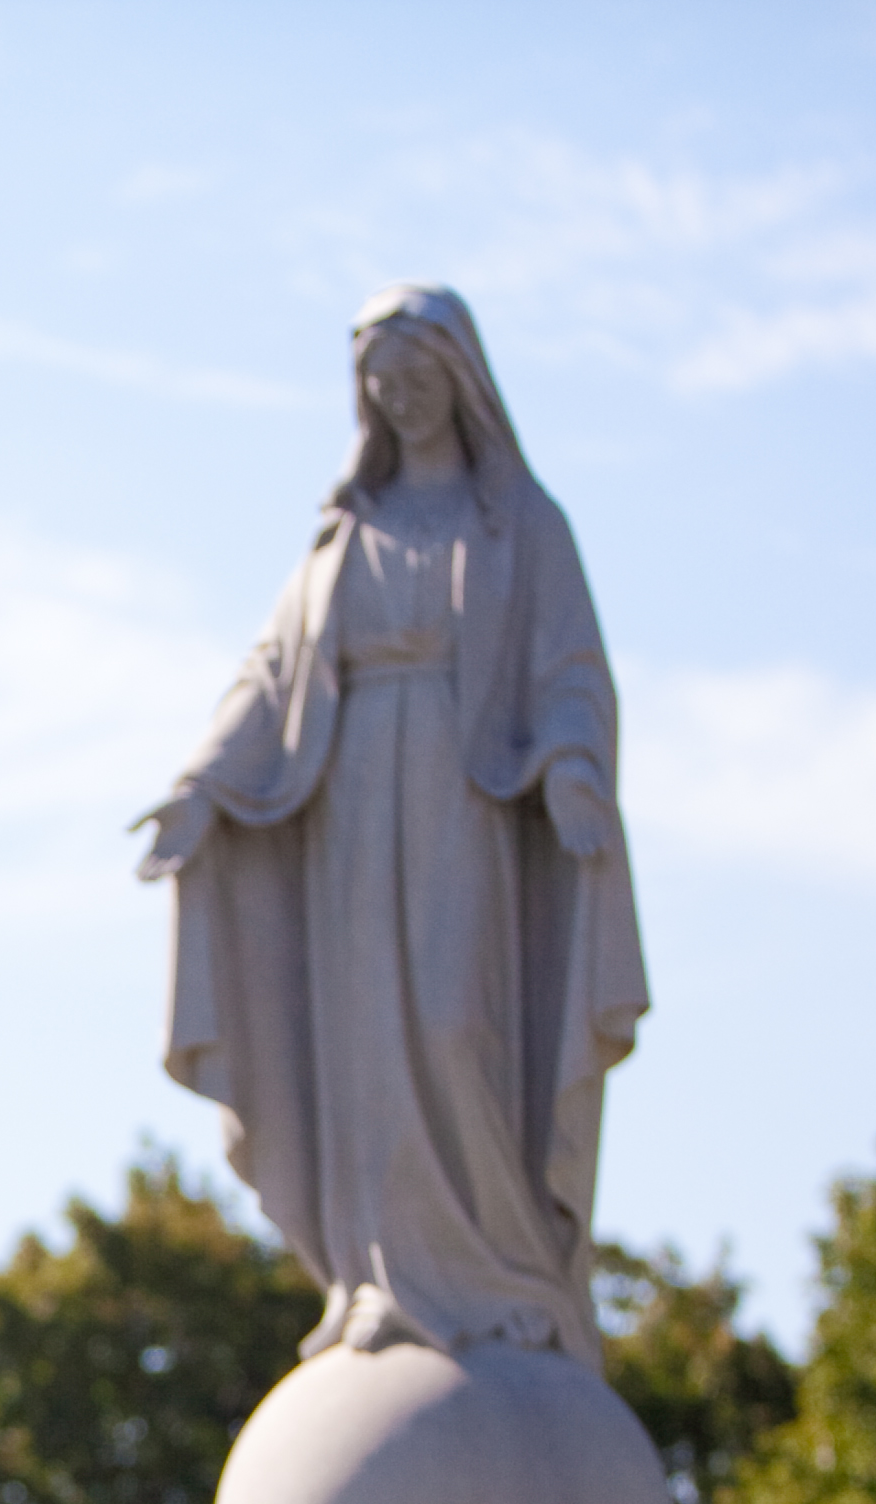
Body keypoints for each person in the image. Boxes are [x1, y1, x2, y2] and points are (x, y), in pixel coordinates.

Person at [135, 283, 649, 1370]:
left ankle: (497, 1270)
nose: (404, 401)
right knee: (366, 1039)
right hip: (353, 806)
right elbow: (271, 679)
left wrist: (569, 767)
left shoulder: (520, 526)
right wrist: (201, 787)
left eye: (420, 380)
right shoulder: (343, 538)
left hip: (467, 800)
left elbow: (570, 670)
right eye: (384, 386)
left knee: (460, 1020)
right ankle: (379, 1275)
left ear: (461, 385)